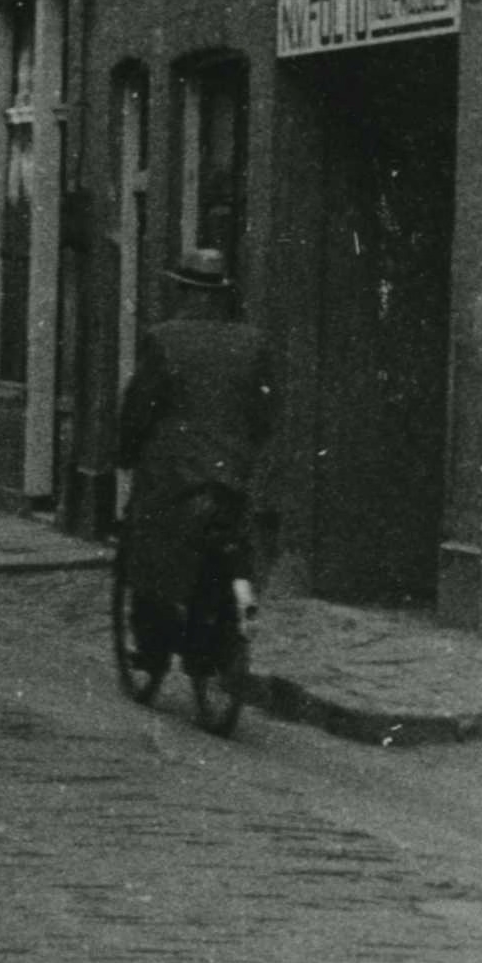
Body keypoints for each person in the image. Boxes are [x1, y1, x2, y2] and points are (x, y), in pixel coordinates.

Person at [114, 248, 274, 697]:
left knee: (152, 556)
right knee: (229, 550)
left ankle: (151, 650)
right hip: (232, 476)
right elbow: (266, 414)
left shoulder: (163, 340)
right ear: (223, 296)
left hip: (174, 476)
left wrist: (126, 454)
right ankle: (218, 648)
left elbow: (139, 409)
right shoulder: (252, 343)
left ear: (184, 292)